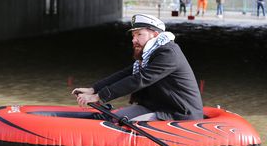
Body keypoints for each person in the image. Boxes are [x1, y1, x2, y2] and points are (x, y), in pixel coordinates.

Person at [72, 14, 203, 121]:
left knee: (126, 126)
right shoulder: (149, 55)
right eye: (133, 35)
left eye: (139, 34)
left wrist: (98, 97)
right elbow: (126, 74)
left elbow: (140, 79)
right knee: (110, 119)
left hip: (179, 114)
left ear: (155, 35)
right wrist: (93, 89)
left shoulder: (168, 53)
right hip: (156, 107)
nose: (133, 40)